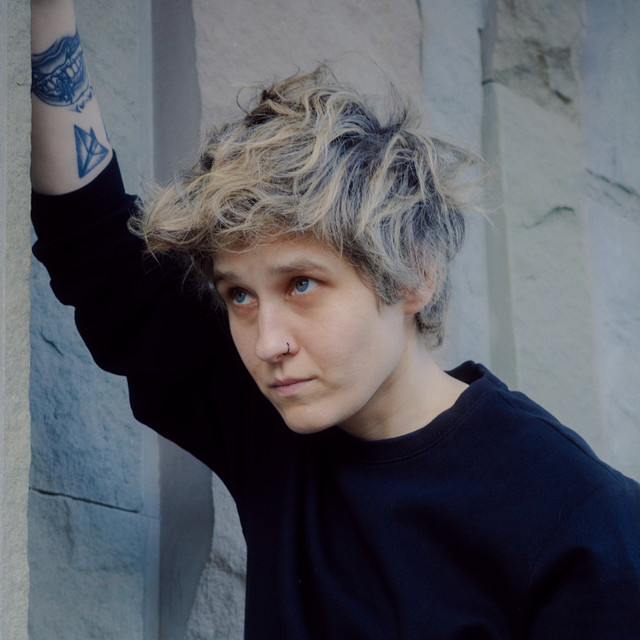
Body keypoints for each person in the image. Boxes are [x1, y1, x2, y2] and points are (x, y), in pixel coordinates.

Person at [30, 1, 640, 638]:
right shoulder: (274, 419)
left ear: (413, 275)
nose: (267, 343)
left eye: (301, 284)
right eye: (239, 295)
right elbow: (98, 250)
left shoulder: (581, 519)